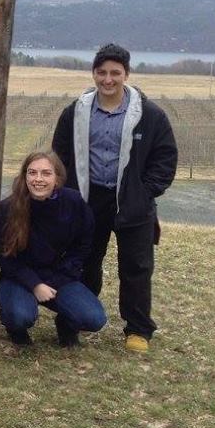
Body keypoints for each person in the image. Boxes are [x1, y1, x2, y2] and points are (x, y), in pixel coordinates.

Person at [52, 43, 177, 353]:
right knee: (83, 263)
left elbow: (165, 158)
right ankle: (71, 323)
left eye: (115, 73)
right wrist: (67, 193)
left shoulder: (149, 115)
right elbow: (60, 154)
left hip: (133, 203)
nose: (108, 79)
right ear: (94, 74)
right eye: (102, 72)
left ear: (126, 74)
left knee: (135, 267)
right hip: (88, 199)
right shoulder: (75, 112)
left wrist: (144, 191)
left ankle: (137, 331)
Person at [0, 151, 107, 347]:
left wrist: (55, 281)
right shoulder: (9, 208)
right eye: (32, 173)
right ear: (25, 176)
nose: (38, 179)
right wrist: (34, 284)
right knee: (20, 316)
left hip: (59, 277)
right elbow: (5, 257)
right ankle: (16, 328)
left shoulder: (74, 203)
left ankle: (66, 324)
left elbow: (83, 246)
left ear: (57, 178)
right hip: (19, 278)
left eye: (46, 173)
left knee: (94, 318)